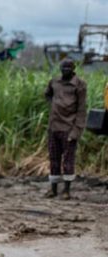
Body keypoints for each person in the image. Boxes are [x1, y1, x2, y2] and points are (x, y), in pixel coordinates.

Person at [44, 59, 87, 200]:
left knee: (68, 161)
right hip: (54, 127)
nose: (66, 69)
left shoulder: (79, 85)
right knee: (54, 159)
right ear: (60, 67)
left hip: (69, 128)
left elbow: (81, 110)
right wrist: (54, 105)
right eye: (64, 67)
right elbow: (48, 94)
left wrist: (76, 131)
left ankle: (66, 191)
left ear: (74, 68)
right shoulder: (54, 82)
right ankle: (53, 189)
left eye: (69, 67)